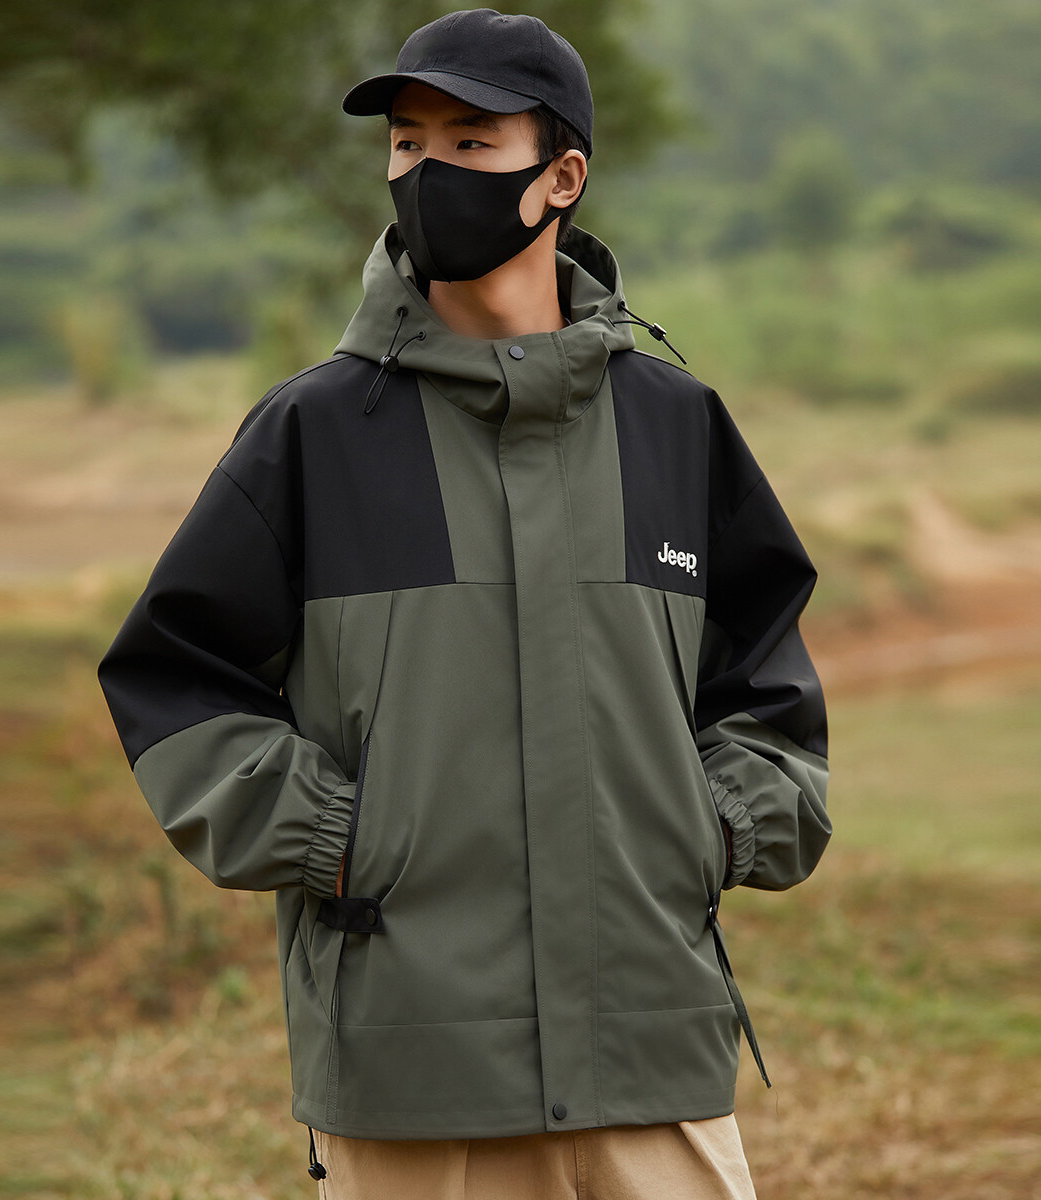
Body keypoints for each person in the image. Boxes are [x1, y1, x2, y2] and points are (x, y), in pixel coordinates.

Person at [97, 9, 831, 1198]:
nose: (426, 170)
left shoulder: (676, 426)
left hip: (655, 1059)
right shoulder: (316, 433)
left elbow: (767, 686)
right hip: (412, 1072)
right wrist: (339, 837)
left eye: (471, 142)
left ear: (562, 179)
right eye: (407, 142)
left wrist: (711, 827)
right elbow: (176, 678)